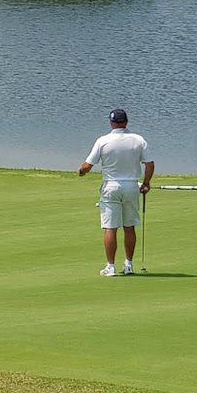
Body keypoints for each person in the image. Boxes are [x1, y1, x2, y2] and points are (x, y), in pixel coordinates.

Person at [78, 108, 155, 277]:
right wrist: (147, 183)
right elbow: (149, 164)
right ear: (126, 122)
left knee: (110, 228)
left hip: (111, 187)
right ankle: (129, 265)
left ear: (111, 123)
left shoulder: (103, 141)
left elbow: (87, 166)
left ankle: (111, 267)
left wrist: (81, 171)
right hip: (131, 187)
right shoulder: (138, 140)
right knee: (129, 226)